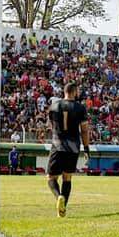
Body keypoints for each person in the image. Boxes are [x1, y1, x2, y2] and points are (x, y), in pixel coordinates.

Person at [46, 81, 90, 218]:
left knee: (50, 177)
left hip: (57, 144)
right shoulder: (80, 108)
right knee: (67, 177)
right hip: (73, 146)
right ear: (74, 91)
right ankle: (63, 208)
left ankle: (59, 196)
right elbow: (84, 130)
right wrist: (86, 148)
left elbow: (51, 126)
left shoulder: (53, 106)